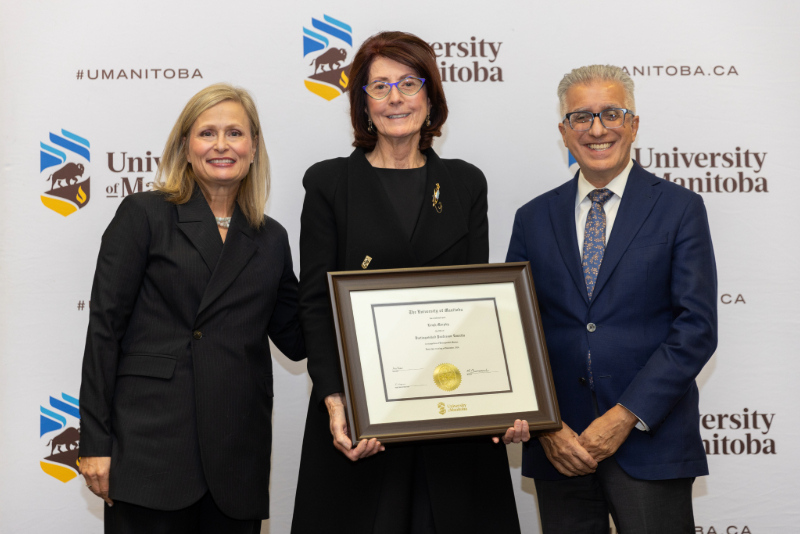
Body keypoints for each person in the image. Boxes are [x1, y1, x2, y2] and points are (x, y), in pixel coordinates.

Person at [291, 31, 527, 534]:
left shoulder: (466, 183)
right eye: (379, 87)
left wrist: (502, 401)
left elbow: (474, 308)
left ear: (431, 96)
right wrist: (337, 401)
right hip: (359, 422)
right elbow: (315, 304)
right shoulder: (329, 183)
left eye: (408, 83)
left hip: (450, 418)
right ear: (362, 103)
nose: (395, 97)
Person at [78, 83, 305, 533]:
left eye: (235, 133)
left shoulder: (271, 238)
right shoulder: (144, 214)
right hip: (151, 451)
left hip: (236, 458)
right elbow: (104, 330)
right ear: (185, 146)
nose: (222, 145)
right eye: (207, 133)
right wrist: (95, 442)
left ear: (254, 147)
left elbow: (298, 338)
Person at [506, 64, 718, 533]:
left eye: (611, 113)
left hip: (650, 441)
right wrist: (548, 425)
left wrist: (624, 417)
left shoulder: (680, 209)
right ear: (563, 131)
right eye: (581, 117)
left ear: (634, 123)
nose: (597, 129)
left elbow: (696, 328)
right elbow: (516, 331)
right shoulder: (532, 217)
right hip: (559, 449)